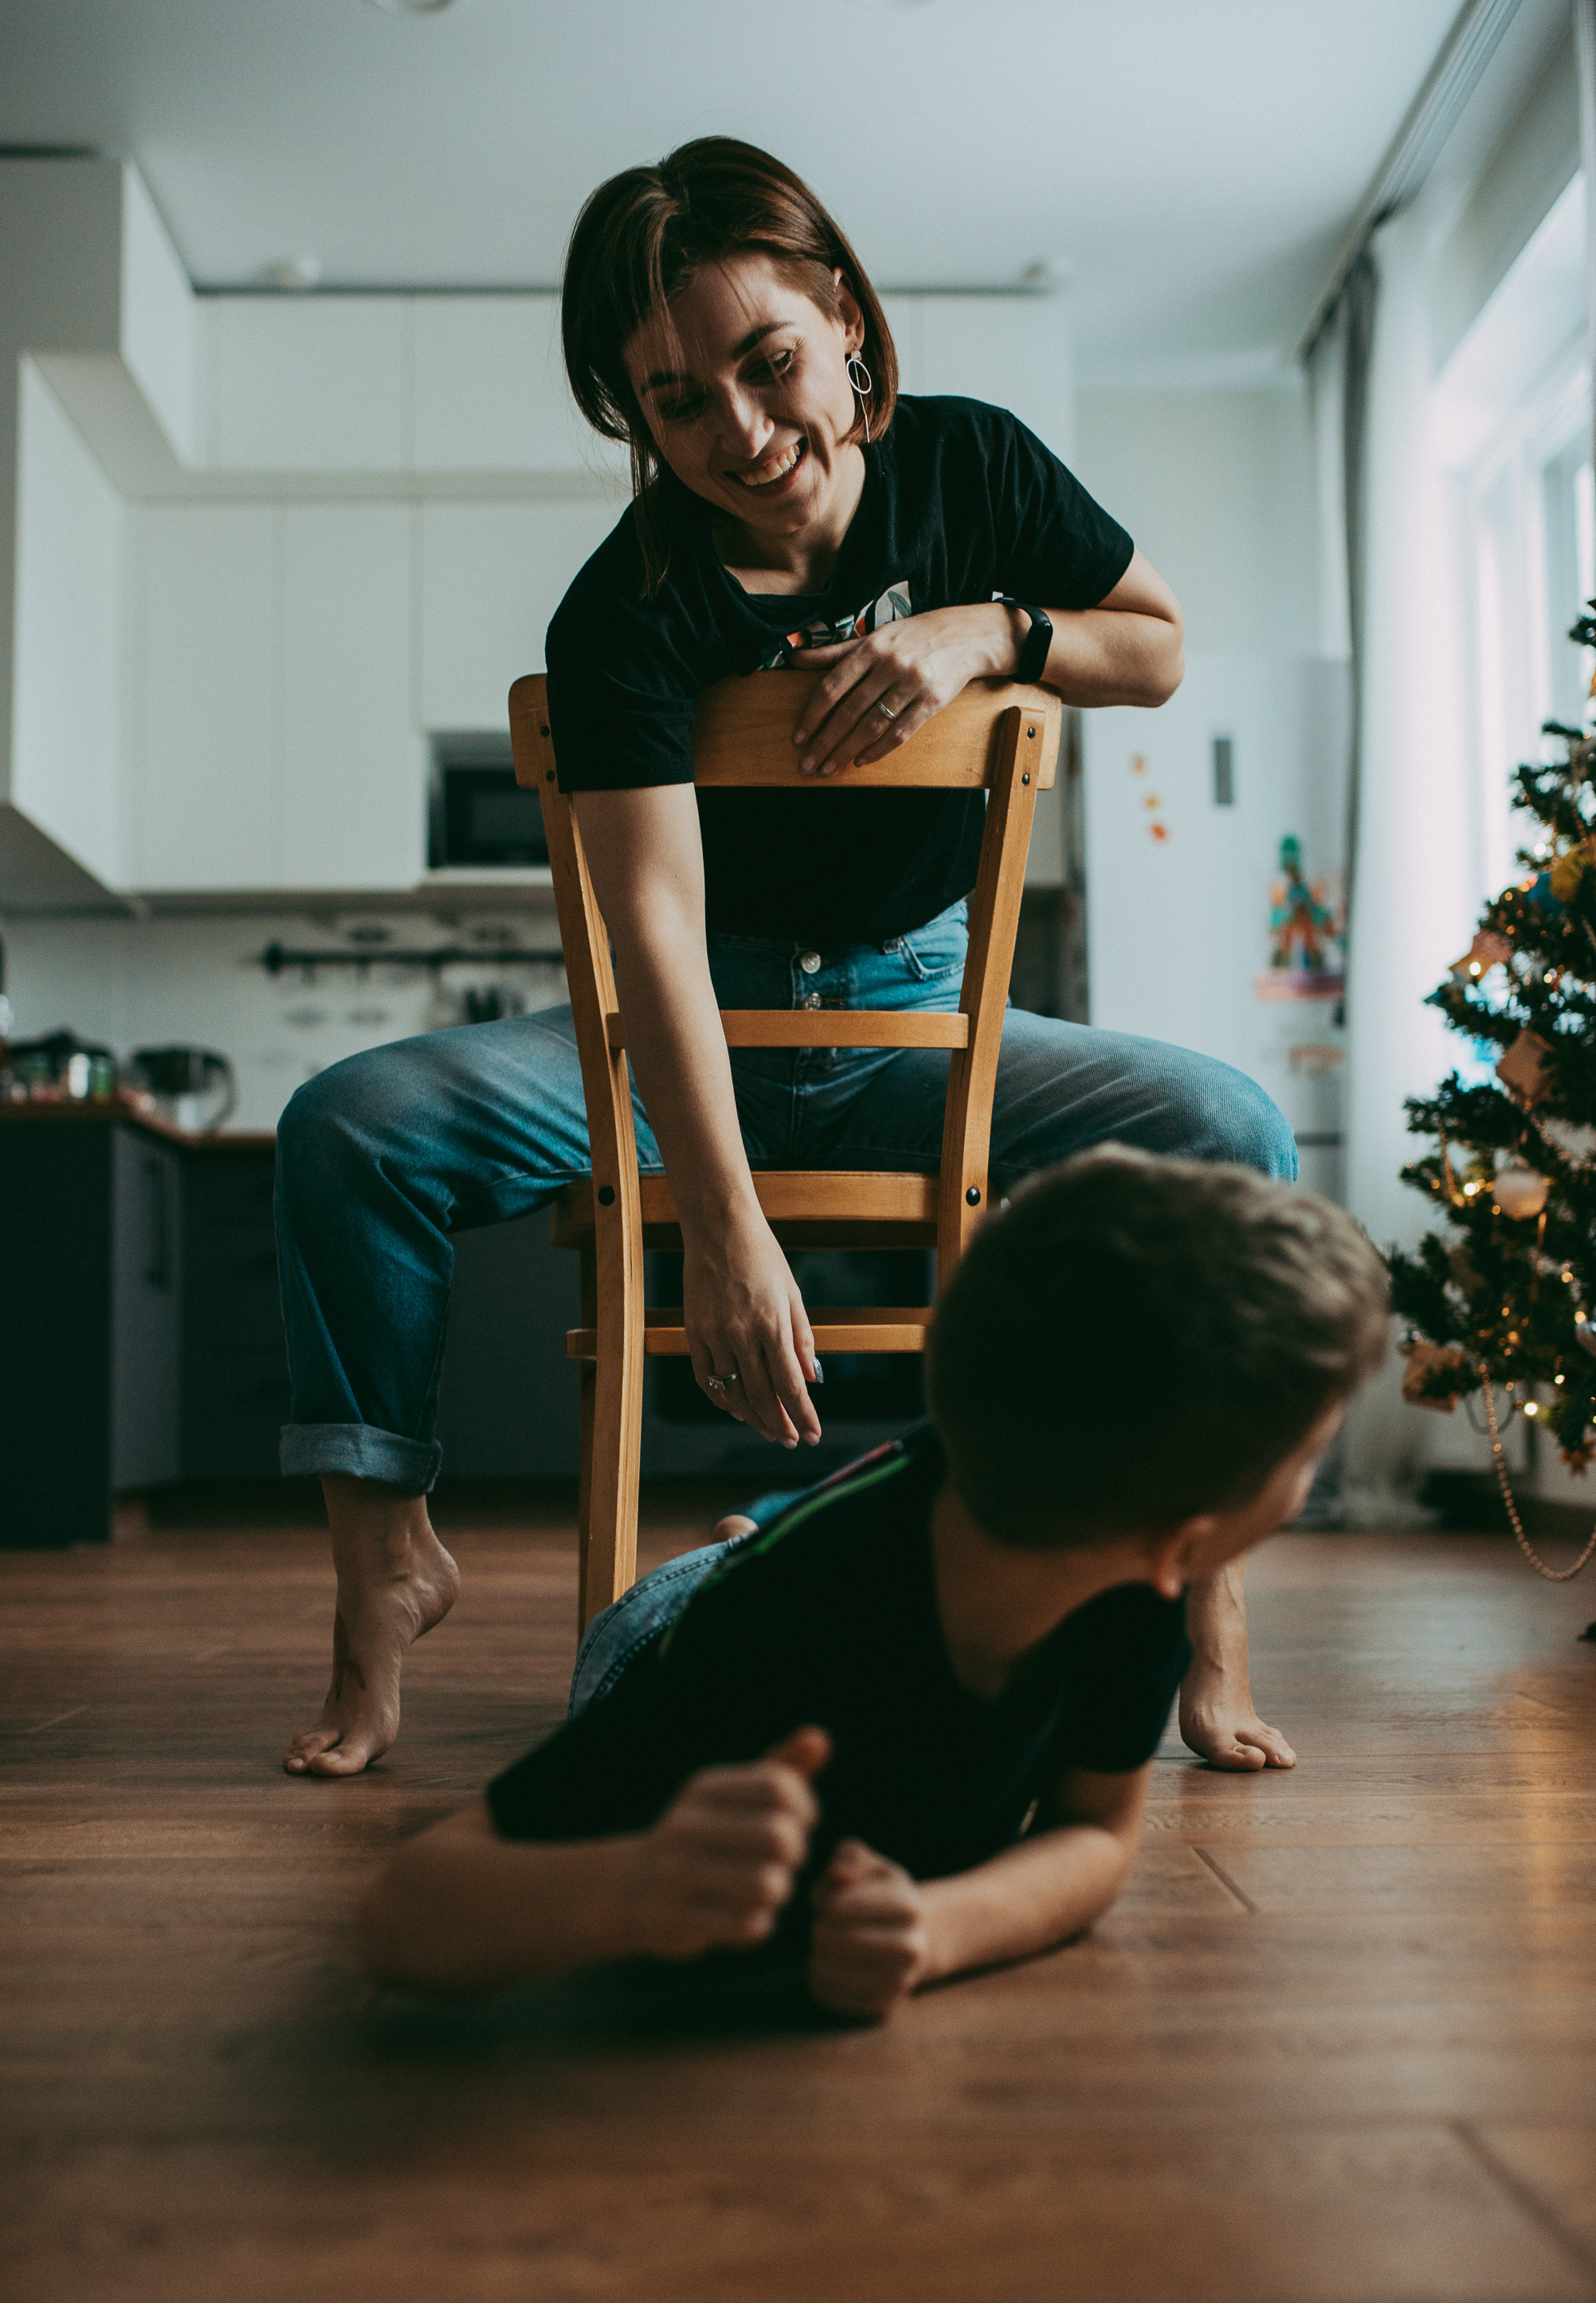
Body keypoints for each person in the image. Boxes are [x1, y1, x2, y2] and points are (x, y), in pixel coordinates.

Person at [276, 136, 1300, 1783]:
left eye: (770, 365)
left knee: (1233, 1128)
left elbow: (1160, 647)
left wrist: (989, 631)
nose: (744, 435)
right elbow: (657, 938)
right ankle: (387, 1561)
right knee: (347, 1128)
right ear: (635, 416)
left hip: (920, 1034)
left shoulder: (974, 470)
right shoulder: (622, 613)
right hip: (680, 1041)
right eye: (680, 403)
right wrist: (727, 1229)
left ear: (847, 323)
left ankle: (1206, 1589)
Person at [360, 1151, 1388, 2013]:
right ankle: (741, 1538)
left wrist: (938, 1928)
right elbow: (407, 1913)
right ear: (1187, 1538)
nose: (1310, 1480)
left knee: (821, 1524)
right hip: (673, 1630)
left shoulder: (1137, 1583)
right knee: (745, 1565)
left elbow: (1094, 1834)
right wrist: (636, 1883)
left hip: (897, 1528)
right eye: (1309, 1456)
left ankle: (760, 1520)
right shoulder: (782, 1633)